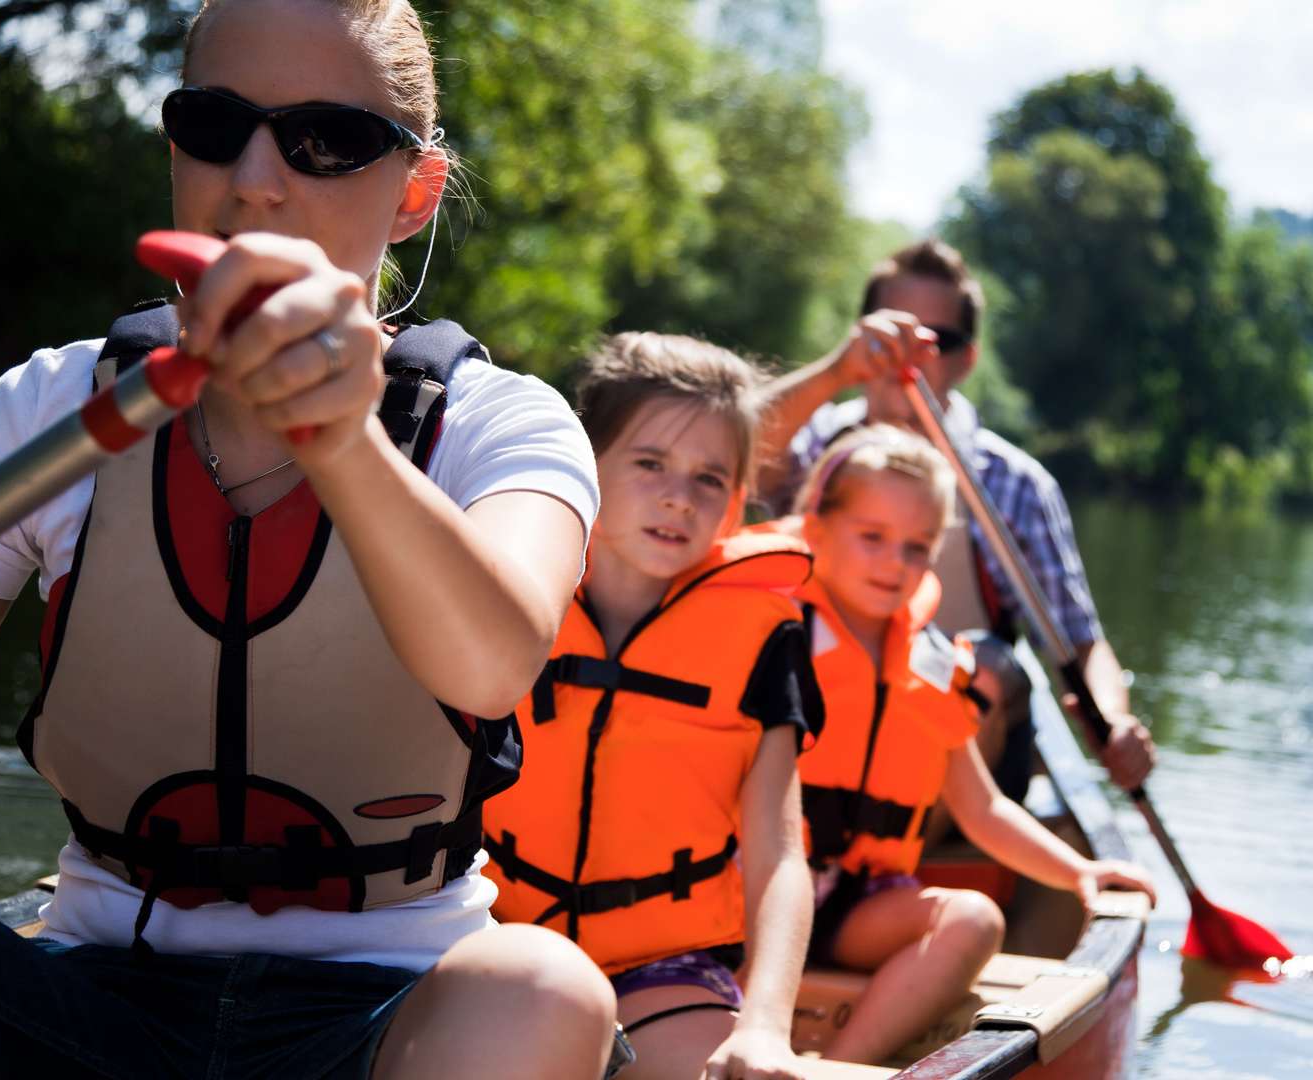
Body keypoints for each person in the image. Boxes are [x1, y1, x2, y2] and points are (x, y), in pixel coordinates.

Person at [0, 2, 620, 1077]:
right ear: (174, 148)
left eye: (327, 140)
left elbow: (494, 664)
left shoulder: (502, 425)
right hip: (87, 1003)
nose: (253, 179)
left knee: (546, 986)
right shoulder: (48, 410)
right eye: (214, 124)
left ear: (414, 194)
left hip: (383, 1010)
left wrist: (343, 438)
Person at [482, 333, 823, 1080]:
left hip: (662, 970)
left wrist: (766, 1027)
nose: (678, 497)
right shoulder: (507, 591)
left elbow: (779, 853)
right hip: (498, 940)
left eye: (710, 478)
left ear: (737, 499)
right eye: (649, 464)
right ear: (585, 462)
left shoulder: (764, 640)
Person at [776, 425, 1155, 1065]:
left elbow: (982, 809)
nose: (896, 563)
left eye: (917, 547)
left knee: (976, 920)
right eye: (872, 537)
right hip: (746, 892)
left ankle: (841, 1064)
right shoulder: (772, 636)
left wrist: (1080, 872)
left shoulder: (926, 663)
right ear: (816, 527)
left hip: (848, 904)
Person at [756, 238, 1155, 809]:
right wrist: (833, 372)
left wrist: (1113, 720)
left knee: (983, 665)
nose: (905, 357)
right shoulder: (812, 440)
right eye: (889, 332)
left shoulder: (1016, 483)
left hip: (948, 768)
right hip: (814, 726)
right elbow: (728, 454)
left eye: (934, 341)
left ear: (966, 359)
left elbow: (1080, 643)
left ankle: (918, 841)